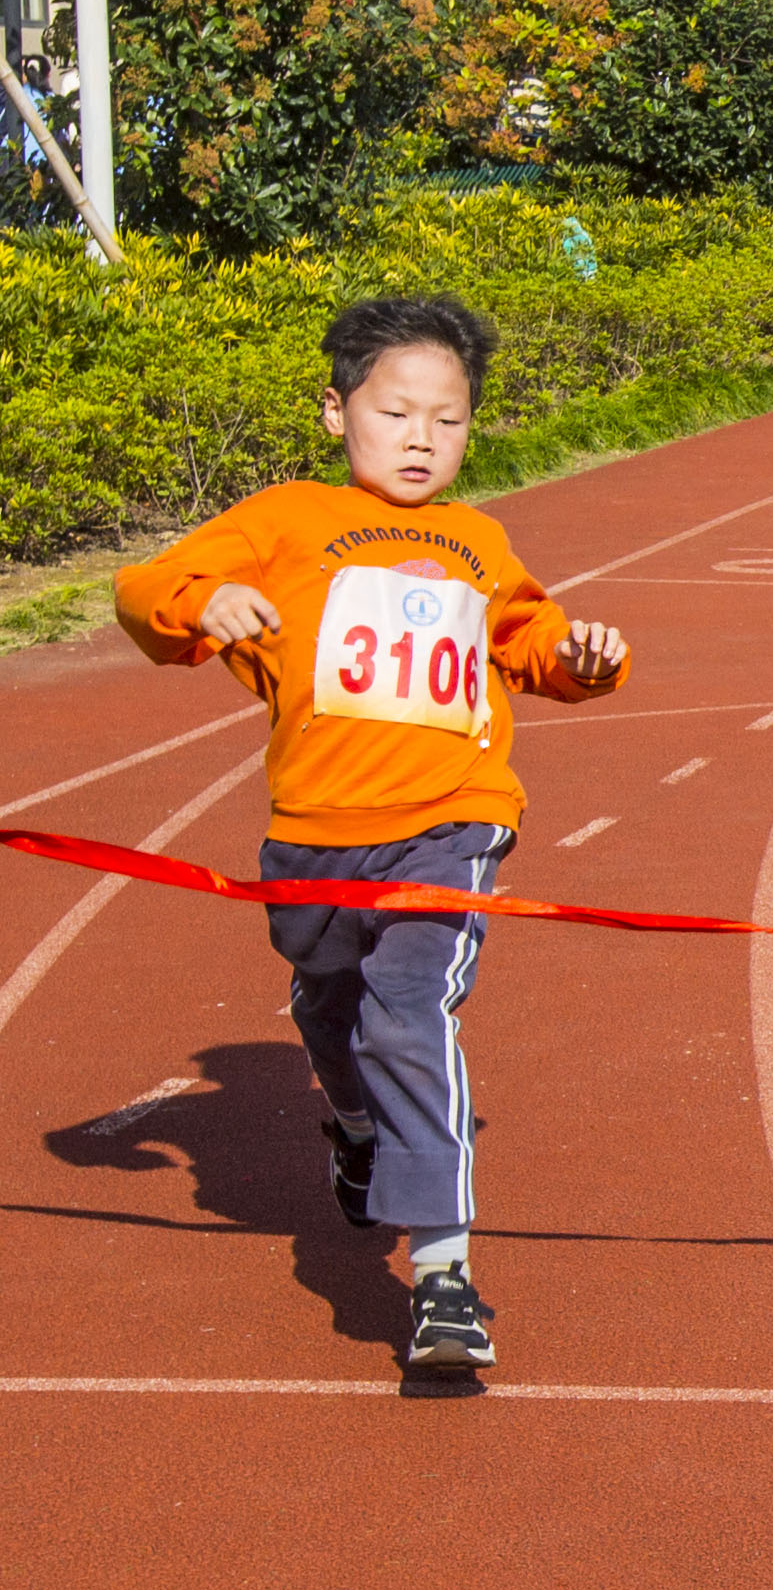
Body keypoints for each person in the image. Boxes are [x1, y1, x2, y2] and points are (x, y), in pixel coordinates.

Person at [110, 295, 637, 1374]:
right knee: (330, 1011)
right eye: (396, 414)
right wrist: (200, 605)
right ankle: (351, 1124)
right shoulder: (288, 519)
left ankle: (443, 1277)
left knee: (410, 1015)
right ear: (336, 410)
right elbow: (144, 586)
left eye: (448, 422)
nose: (420, 440)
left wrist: (586, 661)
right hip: (312, 837)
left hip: (452, 822)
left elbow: (533, 641)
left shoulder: (478, 540)